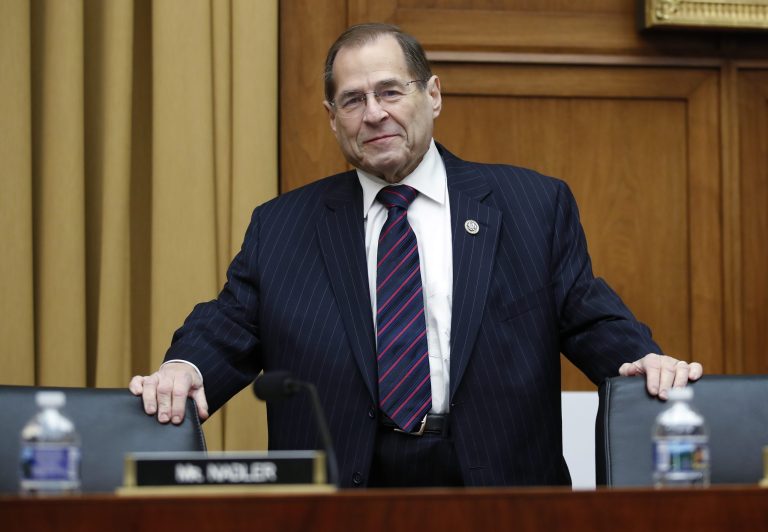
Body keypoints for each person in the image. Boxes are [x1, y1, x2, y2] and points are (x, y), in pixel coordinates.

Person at [129, 23, 703, 488]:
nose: (373, 113)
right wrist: (187, 366)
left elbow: (588, 312)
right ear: (333, 121)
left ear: (431, 95)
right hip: (345, 492)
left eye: (390, 91)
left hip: (500, 490)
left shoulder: (531, 204)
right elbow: (232, 321)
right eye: (352, 100)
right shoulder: (283, 226)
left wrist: (639, 358)